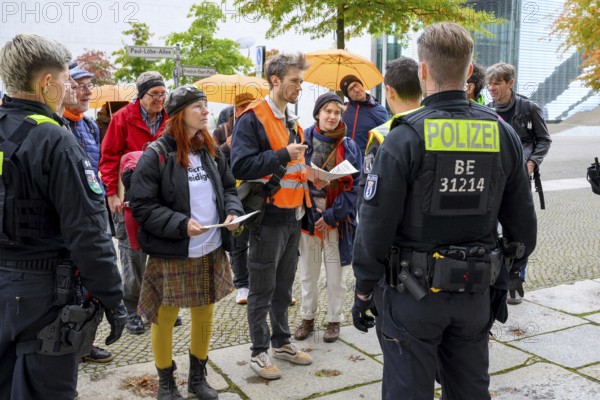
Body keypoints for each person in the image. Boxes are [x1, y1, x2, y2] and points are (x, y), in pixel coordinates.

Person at [351, 22, 537, 400]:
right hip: (474, 293)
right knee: (470, 390)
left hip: (411, 296)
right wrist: (506, 279)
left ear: (422, 71)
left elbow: (374, 226)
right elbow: (523, 226)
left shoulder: (403, 136)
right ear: (469, 72)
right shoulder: (502, 134)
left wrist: (364, 290)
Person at [0, 33, 126, 400]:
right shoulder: (55, 139)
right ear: (45, 83)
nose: (70, 85)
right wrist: (113, 300)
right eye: (65, 78)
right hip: (43, 298)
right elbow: (88, 233)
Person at [129, 85, 243, 400]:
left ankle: (198, 378)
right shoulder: (157, 154)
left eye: (206, 106)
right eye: (199, 107)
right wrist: (180, 224)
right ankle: (166, 382)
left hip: (210, 247)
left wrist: (233, 212)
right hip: (173, 250)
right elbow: (141, 205)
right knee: (164, 316)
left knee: (204, 313)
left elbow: (230, 188)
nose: (207, 112)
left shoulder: (211, 149)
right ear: (180, 115)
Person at [230, 52, 313, 380]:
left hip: (293, 215)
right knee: (261, 289)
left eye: (301, 82)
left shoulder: (291, 120)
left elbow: (295, 168)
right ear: (276, 80)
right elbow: (240, 166)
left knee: (283, 288)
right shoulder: (252, 117)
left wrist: (313, 174)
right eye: (295, 81)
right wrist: (281, 154)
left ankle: (281, 342)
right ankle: (258, 353)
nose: (300, 87)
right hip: (268, 218)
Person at [356, 56, 422, 348]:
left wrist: (363, 290)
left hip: (400, 277)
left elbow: (371, 217)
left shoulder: (384, 136)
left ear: (389, 91)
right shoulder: (473, 128)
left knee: (404, 371)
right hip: (464, 281)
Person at [99, 71, 170, 334]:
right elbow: (107, 158)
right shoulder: (122, 119)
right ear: (141, 96)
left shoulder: (170, 118)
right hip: (128, 198)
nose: (160, 99)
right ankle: (132, 309)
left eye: (164, 94)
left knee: (162, 252)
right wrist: (111, 194)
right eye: (154, 94)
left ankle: (160, 305)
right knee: (132, 254)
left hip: (161, 198)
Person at [293, 92, 361, 343]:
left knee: (336, 277)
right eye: (328, 111)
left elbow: (355, 185)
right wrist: (311, 211)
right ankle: (307, 317)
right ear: (318, 113)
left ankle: (334, 320)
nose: (332, 116)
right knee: (308, 274)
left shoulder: (349, 146)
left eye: (337, 112)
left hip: (336, 223)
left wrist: (332, 215)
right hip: (309, 220)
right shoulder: (302, 141)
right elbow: (294, 177)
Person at [486, 62, 552, 304]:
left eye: (497, 83)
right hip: (493, 183)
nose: (492, 88)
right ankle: (493, 279)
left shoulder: (529, 108)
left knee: (520, 232)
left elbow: (544, 139)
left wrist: (533, 162)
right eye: (489, 83)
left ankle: (516, 279)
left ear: (510, 83)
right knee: (488, 230)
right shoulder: (486, 110)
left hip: (519, 182)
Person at [212, 93, 254, 304]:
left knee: (259, 240)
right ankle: (242, 285)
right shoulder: (222, 130)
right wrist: (226, 147)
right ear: (235, 110)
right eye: (241, 107)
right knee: (238, 241)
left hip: (254, 192)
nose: (245, 110)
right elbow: (210, 157)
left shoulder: (257, 129)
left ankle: (257, 282)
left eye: (249, 106)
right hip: (232, 194)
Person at [340, 74, 389, 156]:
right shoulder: (343, 111)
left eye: (356, 85)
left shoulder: (379, 110)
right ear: (348, 95)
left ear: (361, 85)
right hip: (345, 162)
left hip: (368, 163)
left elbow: (387, 139)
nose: (356, 90)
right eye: (350, 89)